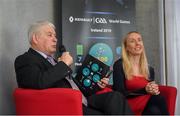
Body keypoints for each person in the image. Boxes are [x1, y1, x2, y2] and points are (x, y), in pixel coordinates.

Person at [14, 20, 133, 115]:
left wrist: (97, 85)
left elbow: (77, 88)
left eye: (55, 35)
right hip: (66, 106)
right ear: (35, 38)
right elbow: (38, 82)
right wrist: (63, 65)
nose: (55, 39)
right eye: (49, 35)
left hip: (82, 100)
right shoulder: (25, 59)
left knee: (115, 97)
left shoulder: (54, 62)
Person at [113, 31, 169, 115]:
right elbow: (119, 93)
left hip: (147, 104)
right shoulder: (119, 65)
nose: (137, 43)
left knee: (155, 110)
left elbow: (151, 91)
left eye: (139, 40)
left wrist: (154, 90)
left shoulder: (149, 69)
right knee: (159, 100)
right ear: (126, 47)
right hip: (128, 105)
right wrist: (144, 90)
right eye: (132, 41)